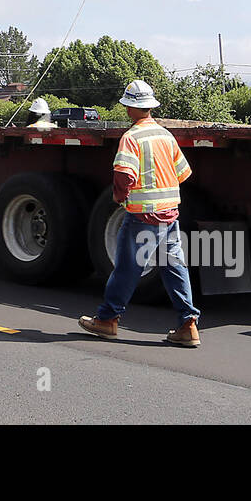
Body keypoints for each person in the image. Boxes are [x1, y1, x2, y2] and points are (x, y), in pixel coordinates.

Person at [79, 80, 201, 347]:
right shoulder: (165, 135)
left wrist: (119, 197)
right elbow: (184, 173)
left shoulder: (131, 137)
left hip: (144, 215)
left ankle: (108, 319)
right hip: (169, 214)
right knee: (174, 266)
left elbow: (123, 175)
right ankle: (188, 325)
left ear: (129, 108)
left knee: (126, 268)